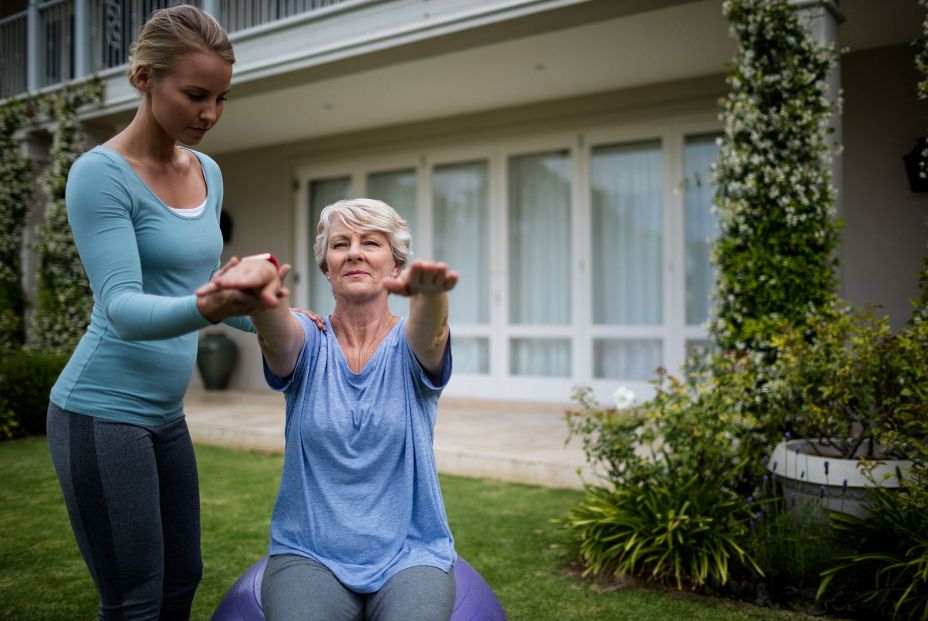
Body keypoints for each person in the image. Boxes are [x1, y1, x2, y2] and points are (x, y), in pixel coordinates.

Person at [45, 6, 287, 619]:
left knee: (182, 580)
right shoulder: (100, 176)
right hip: (100, 413)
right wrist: (214, 301)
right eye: (196, 95)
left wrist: (281, 315)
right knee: (135, 602)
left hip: (164, 416)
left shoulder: (207, 171)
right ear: (144, 78)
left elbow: (200, 287)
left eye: (222, 98)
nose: (210, 114)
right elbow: (123, 308)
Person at [200, 198, 460, 621]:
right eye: (341, 244)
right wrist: (262, 301)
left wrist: (431, 298)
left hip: (412, 552)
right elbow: (278, 337)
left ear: (395, 265)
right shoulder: (309, 337)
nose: (354, 252)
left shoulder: (409, 341)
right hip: (308, 553)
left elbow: (431, 337)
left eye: (370, 242)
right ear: (326, 268)